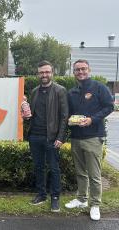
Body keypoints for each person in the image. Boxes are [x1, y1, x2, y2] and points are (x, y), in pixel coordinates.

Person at [65, 59, 114, 221]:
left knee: (94, 174)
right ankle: (81, 199)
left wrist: (92, 119)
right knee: (80, 172)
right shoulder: (72, 92)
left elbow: (109, 107)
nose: (81, 72)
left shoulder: (99, 88)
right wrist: (68, 120)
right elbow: (69, 113)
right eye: (77, 70)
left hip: (93, 137)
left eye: (83, 69)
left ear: (89, 70)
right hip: (76, 137)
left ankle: (95, 204)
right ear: (74, 72)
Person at [22, 60, 68, 212]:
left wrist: (60, 137)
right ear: (38, 74)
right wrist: (26, 116)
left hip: (52, 138)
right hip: (35, 137)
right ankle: (41, 195)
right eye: (41, 72)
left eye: (47, 72)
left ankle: (55, 198)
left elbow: (64, 116)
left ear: (52, 73)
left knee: (54, 168)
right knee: (39, 167)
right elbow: (31, 115)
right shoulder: (34, 91)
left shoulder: (60, 90)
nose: (44, 74)